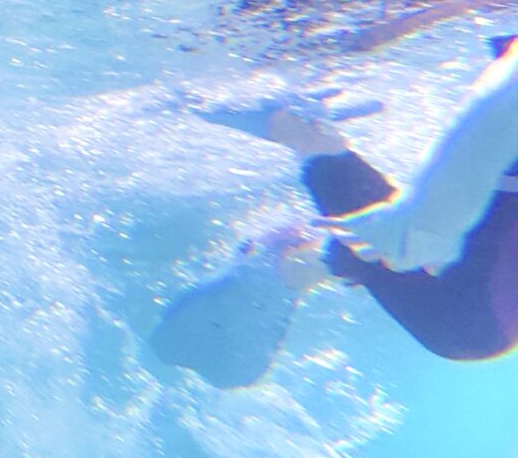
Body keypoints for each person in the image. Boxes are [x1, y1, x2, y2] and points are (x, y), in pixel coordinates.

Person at [150, 35, 518, 389]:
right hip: (478, 311)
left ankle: (293, 260)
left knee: (407, 237)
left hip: (476, 313)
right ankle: (295, 260)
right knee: (407, 237)